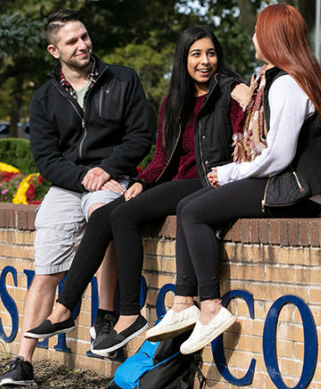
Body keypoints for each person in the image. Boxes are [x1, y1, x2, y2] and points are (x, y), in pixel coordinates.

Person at [24, 27, 245, 357]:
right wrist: (142, 181)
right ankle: (66, 309)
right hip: (177, 183)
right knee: (109, 216)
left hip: (210, 180)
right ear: (183, 59)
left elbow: (244, 143)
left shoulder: (229, 91)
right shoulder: (174, 103)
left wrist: (240, 90)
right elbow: (161, 158)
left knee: (123, 215)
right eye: (195, 54)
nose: (204, 61)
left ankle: (126, 315)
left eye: (211, 53)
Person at [144, 3, 321, 355]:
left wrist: (231, 172)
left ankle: (210, 308)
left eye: (257, 29)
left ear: (270, 37)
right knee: (187, 203)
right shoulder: (288, 77)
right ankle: (182, 304)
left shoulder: (287, 83)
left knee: (194, 212)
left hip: (298, 192)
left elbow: (279, 155)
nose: (252, 35)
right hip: (290, 185)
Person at [0, 9, 151, 387]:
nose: (83, 45)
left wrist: (107, 169)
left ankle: (104, 322)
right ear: (54, 50)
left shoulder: (123, 79)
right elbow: (46, 159)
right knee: (46, 265)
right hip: (68, 186)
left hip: (113, 177)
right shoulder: (44, 98)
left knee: (108, 216)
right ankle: (23, 361)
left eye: (84, 36)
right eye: (72, 41)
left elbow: (140, 136)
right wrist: (83, 175)